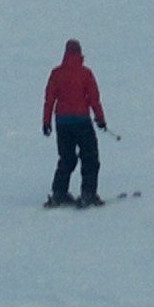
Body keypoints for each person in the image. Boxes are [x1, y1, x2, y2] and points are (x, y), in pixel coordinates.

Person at [42, 38, 107, 208]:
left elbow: (49, 99)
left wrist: (46, 122)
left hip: (62, 123)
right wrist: (100, 119)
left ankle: (59, 193)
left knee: (67, 158)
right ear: (79, 53)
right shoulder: (85, 73)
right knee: (90, 157)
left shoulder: (57, 73)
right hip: (82, 121)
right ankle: (88, 193)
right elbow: (94, 99)